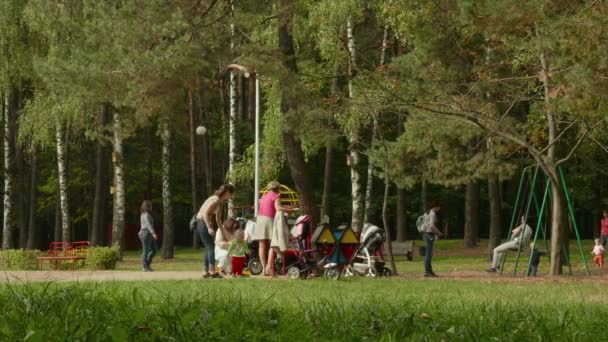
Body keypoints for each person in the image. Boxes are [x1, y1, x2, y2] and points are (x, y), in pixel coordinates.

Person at [254, 181, 296, 276]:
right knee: (273, 244)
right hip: (269, 219)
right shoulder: (276, 196)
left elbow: (273, 206)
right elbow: (278, 208)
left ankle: (264, 268)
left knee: (261, 245)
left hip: (260, 219)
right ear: (278, 189)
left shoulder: (264, 196)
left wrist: (285, 207)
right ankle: (269, 266)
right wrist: (291, 210)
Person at [196, 184, 235, 278]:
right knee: (210, 247)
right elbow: (205, 213)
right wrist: (209, 227)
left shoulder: (220, 202)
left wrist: (224, 235)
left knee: (208, 247)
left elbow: (218, 220)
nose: (232, 196)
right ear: (227, 193)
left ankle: (206, 272)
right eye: (231, 194)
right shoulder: (216, 200)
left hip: (203, 223)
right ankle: (212, 272)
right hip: (202, 222)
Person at [422, 200, 443, 277]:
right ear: (436, 207)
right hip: (429, 235)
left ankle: (429, 271)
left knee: (428, 254)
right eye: (439, 207)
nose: (440, 208)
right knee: (428, 254)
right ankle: (428, 271)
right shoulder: (433, 214)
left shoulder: (427, 212)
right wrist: (438, 232)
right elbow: (431, 226)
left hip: (425, 234)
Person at [138, 200, 158, 272]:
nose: (151, 206)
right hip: (145, 233)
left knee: (155, 249)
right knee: (146, 251)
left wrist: (152, 233)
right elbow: (148, 224)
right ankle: (144, 267)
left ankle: (147, 264)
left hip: (148, 233)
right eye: (150, 205)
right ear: (148, 206)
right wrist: (153, 233)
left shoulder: (146, 214)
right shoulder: (145, 215)